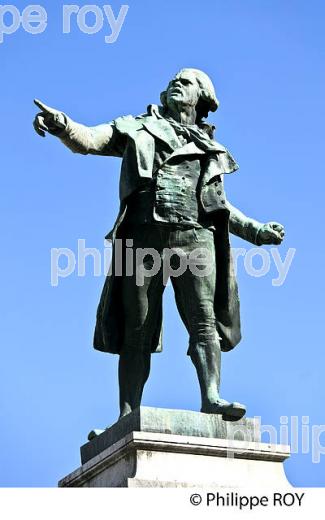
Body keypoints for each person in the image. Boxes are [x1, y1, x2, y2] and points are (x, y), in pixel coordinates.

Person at [33, 68, 285, 421]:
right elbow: (88, 140)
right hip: (142, 237)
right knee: (138, 326)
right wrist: (62, 124)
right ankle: (127, 413)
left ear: (203, 98)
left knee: (204, 321)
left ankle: (211, 397)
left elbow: (220, 206)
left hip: (195, 238)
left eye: (187, 82)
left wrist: (257, 231)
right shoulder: (136, 127)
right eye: (174, 81)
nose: (176, 84)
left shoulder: (210, 147)